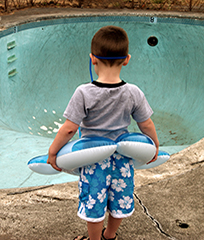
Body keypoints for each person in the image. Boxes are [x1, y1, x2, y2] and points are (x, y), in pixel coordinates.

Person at [47, 25, 159, 240]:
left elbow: (70, 128)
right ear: (127, 59)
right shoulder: (133, 92)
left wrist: (53, 152)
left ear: (93, 59)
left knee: (94, 202)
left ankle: (94, 239)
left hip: (93, 160)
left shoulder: (84, 92)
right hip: (122, 159)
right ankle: (110, 235)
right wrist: (153, 146)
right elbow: (146, 124)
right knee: (120, 200)